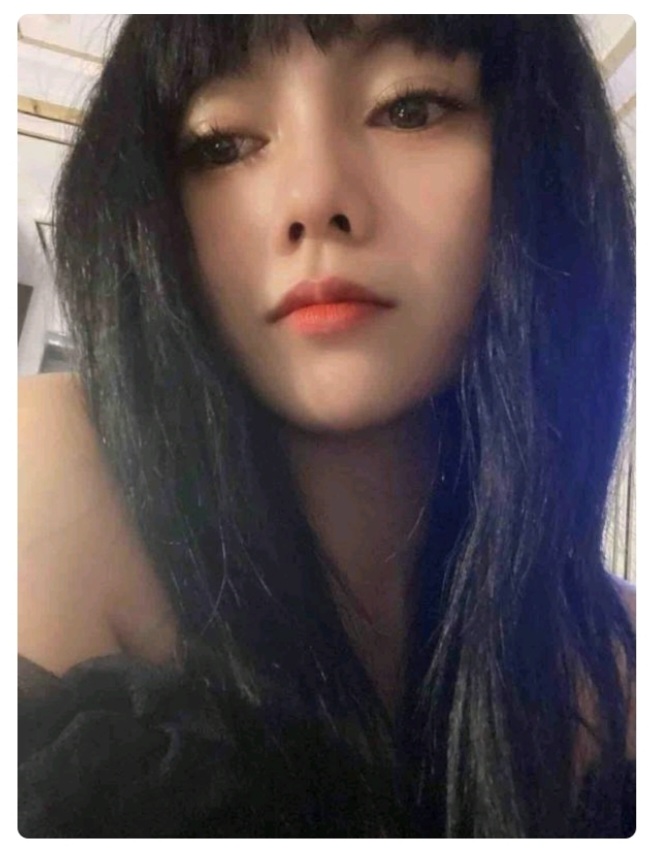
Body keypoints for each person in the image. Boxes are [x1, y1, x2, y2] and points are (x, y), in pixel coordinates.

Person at [18, 14, 636, 837]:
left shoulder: (626, 671)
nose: (314, 201)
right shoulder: (40, 471)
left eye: (409, 108)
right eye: (222, 144)